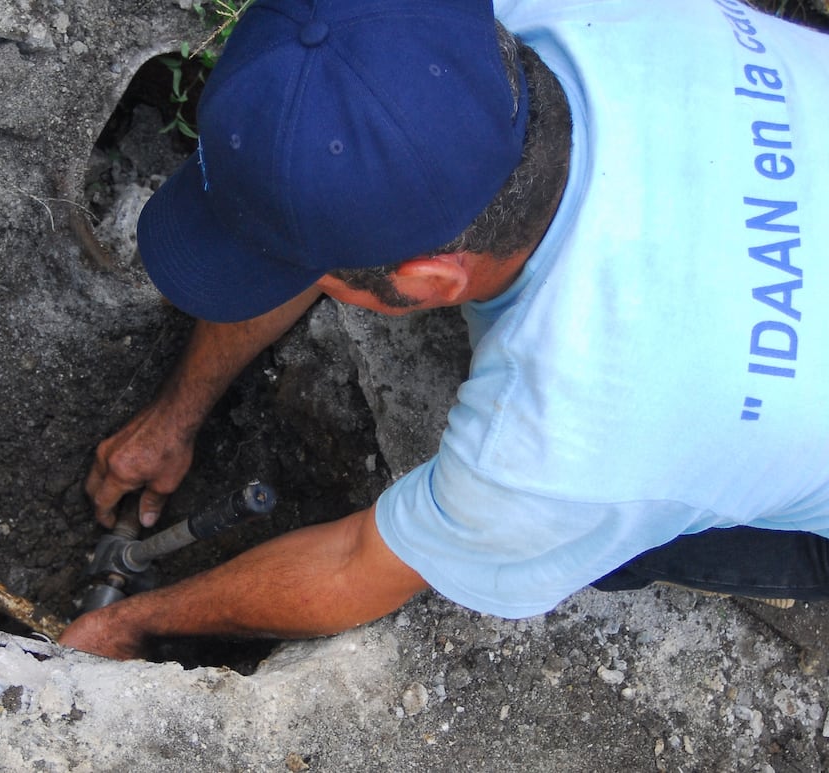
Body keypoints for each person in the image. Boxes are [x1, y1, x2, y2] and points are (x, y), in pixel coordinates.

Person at [59, 0, 829, 660]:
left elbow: (358, 562)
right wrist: (176, 414)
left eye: (295, 267)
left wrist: (133, 623)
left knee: (600, 542)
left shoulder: (565, 447)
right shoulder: (477, 25)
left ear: (429, 281)